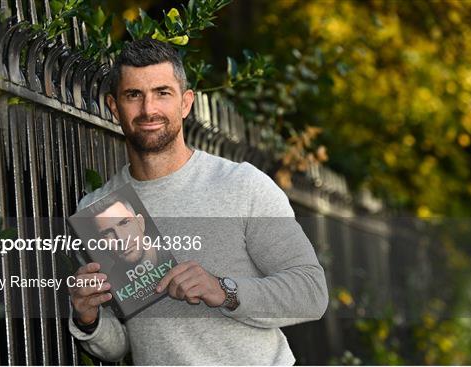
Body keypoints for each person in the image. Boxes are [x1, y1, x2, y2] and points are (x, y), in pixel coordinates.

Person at [68, 38, 328, 365]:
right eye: (134, 95)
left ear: (186, 103)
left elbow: (310, 293)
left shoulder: (241, 185)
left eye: (163, 93)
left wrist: (224, 290)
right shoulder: (100, 209)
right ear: (114, 106)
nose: (148, 110)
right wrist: (88, 317)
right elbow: (121, 345)